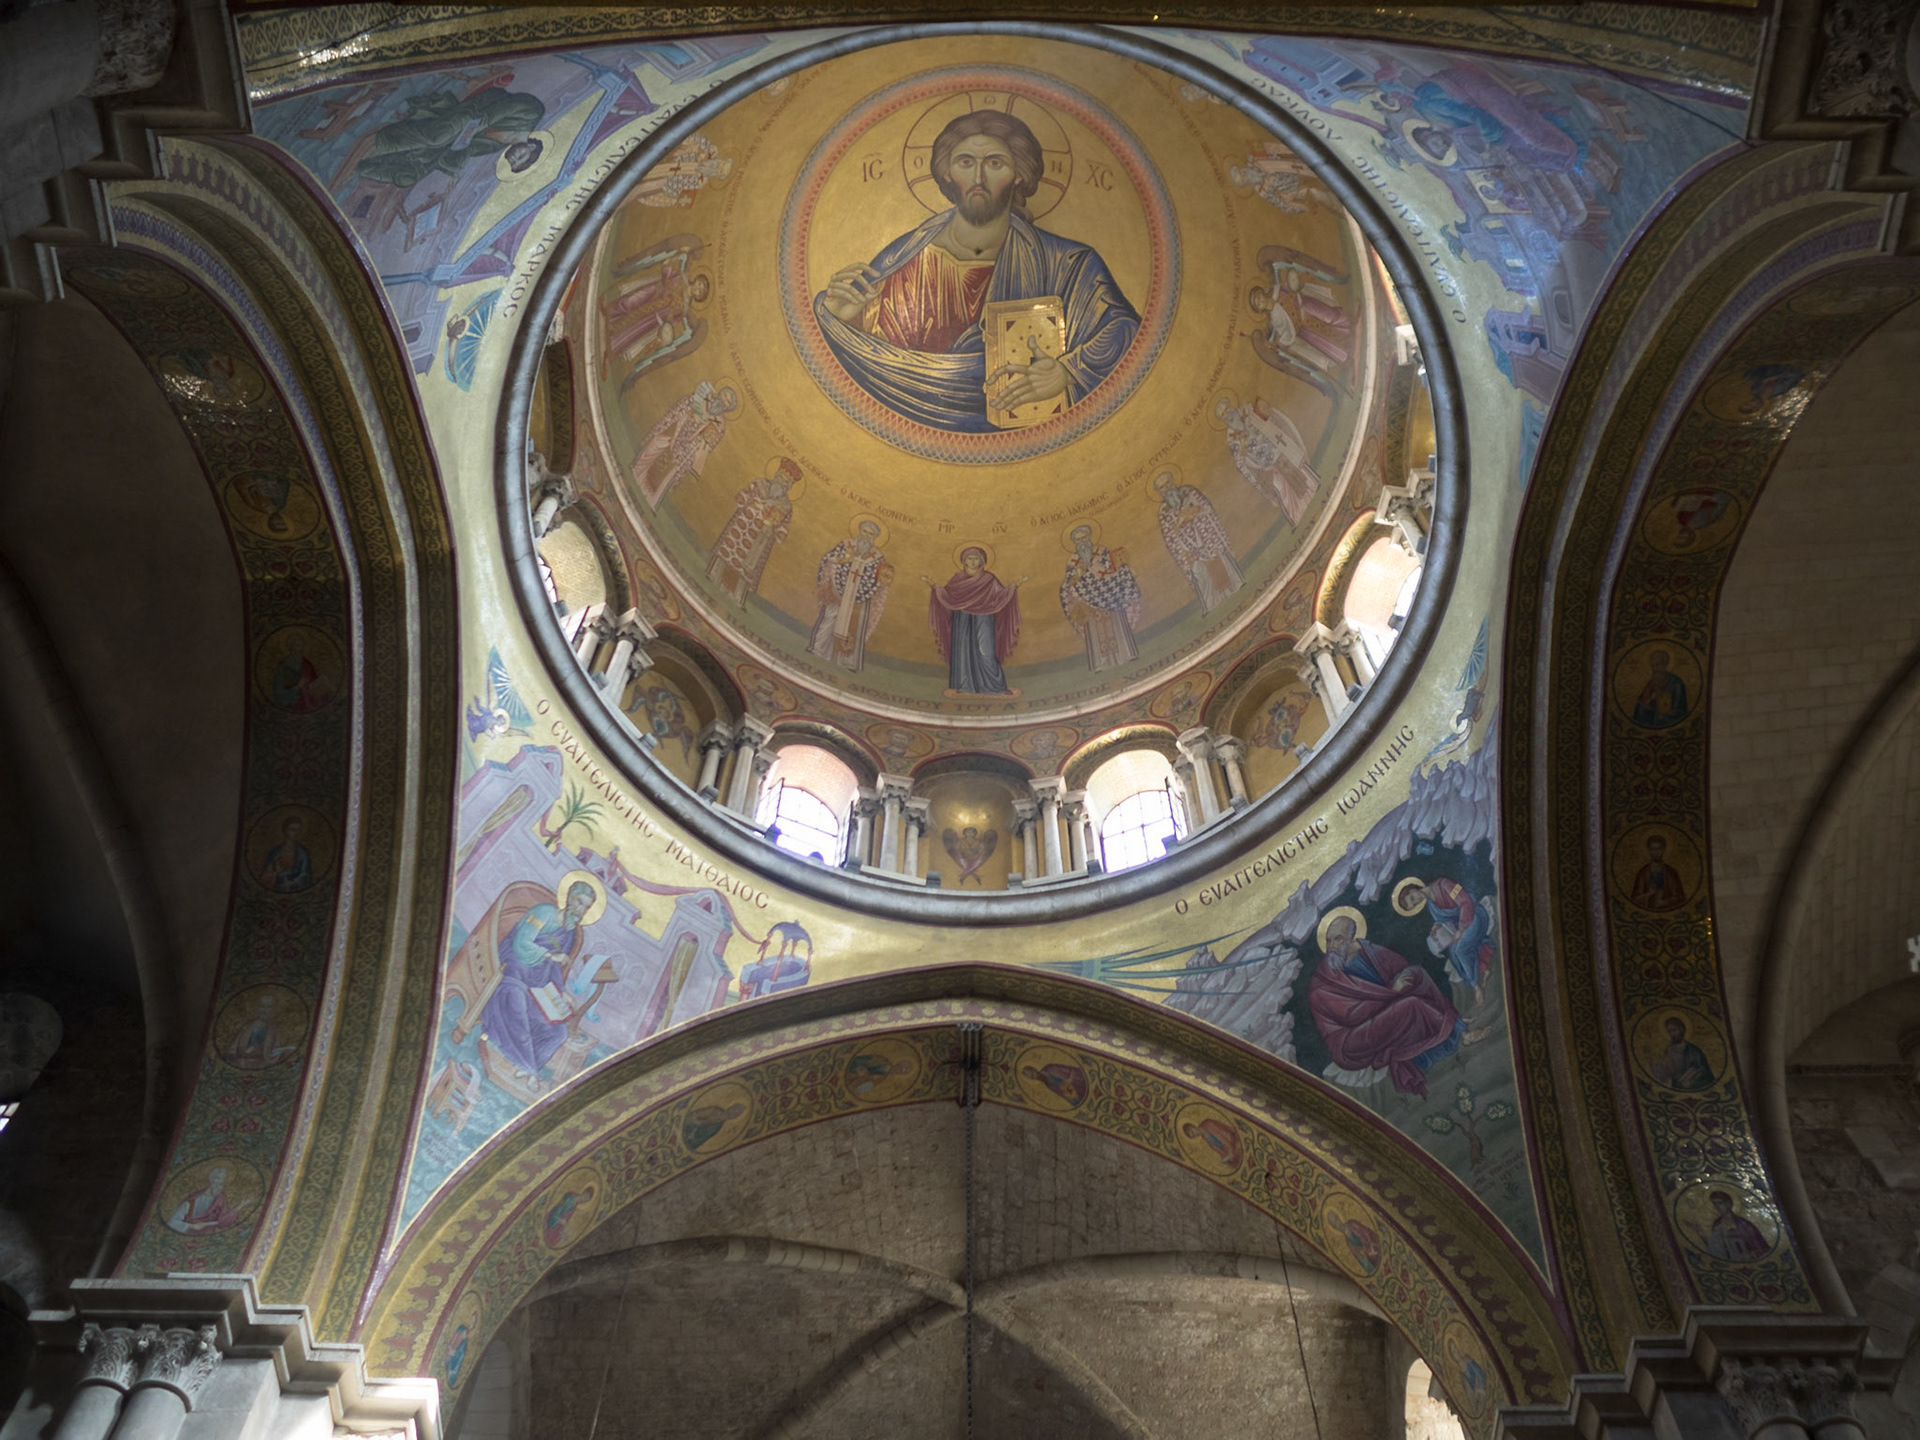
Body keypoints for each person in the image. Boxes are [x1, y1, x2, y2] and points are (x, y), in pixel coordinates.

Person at [814, 110, 1138, 432]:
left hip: (1026, 447)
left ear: (1019, 175)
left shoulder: (1067, 264)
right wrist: (844, 322)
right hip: (909, 441)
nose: (978, 179)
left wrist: (1068, 372)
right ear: (947, 173)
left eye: (995, 164)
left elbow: (1125, 331)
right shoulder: (900, 264)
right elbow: (871, 365)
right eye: (966, 163)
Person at [1307, 913, 1464, 1098]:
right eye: (1329, 940)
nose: (1332, 946)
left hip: (1381, 1010)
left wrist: (1399, 983)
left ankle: (1456, 1023)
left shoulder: (1368, 951)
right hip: (1350, 1039)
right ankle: (1457, 1033)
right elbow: (1353, 1015)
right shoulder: (1322, 984)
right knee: (1410, 1005)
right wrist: (1392, 991)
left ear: (1351, 937)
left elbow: (1398, 967)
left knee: (1417, 973)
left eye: (1338, 938)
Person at [478, 879, 594, 1081]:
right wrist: (549, 955)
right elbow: (521, 943)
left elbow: (554, 969)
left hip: (538, 984)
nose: (580, 910)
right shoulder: (545, 913)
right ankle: (530, 1067)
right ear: (568, 898)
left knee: (559, 1032)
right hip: (513, 970)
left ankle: (527, 1067)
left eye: (586, 907)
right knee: (517, 1005)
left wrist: (561, 992)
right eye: (579, 902)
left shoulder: (569, 933)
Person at [355, 86, 546, 190]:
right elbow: (504, 107)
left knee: (413, 173)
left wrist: (454, 174)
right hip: (474, 110)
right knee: (437, 137)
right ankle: (381, 140)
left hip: (457, 135)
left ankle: (362, 166)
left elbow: (466, 150)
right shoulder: (532, 113)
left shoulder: (494, 147)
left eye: (514, 164)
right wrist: (475, 127)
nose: (514, 158)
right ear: (531, 147)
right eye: (522, 157)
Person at [925, 547, 1025, 694]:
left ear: (982, 561)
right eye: (969, 558)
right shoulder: (957, 579)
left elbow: (1000, 596)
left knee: (986, 651)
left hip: (984, 616)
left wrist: (1013, 587)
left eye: (976, 558)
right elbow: (948, 596)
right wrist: (935, 587)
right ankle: (965, 686)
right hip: (962, 618)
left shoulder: (989, 579)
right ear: (963, 561)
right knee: (963, 651)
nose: (972, 562)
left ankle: (995, 686)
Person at [632, 380, 737, 506]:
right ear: (720, 392)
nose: (723, 400)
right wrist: (689, 416)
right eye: (724, 395)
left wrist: (697, 438)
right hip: (675, 430)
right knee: (658, 444)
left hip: (686, 450)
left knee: (671, 471)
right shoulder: (702, 397)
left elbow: (706, 446)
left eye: (727, 401)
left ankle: (650, 497)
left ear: (729, 407)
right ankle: (638, 471)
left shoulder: (720, 426)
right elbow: (681, 407)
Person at [1217, 396, 1320, 524]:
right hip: (1269, 466)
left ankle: (1313, 490)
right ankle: (1301, 510)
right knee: (1284, 486)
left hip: (1279, 448)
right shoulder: (1232, 438)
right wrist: (1243, 447)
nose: (1228, 414)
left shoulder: (1247, 410)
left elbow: (1270, 417)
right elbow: (1241, 465)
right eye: (1223, 414)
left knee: (1298, 471)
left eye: (1227, 409)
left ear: (1231, 406)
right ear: (1222, 420)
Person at [707, 460, 797, 604]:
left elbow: (783, 531)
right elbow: (740, 498)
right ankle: (713, 575)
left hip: (760, 539)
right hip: (741, 527)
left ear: (789, 487)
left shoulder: (786, 506)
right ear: (775, 475)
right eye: (780, 478)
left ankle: (738, 597)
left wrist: (776, 528)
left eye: (786, 482)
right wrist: (752, 503)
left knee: (747, 569)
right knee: (727, 552)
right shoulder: (759, 484)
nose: (781, 483)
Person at [1153, 473, 1243, 615]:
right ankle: (1212, 604)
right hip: (1188, 548)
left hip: (1207, 536)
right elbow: (1169, 536)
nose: (1167, 488)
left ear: (1173, 481)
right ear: (1159, 492)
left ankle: (1235, 587)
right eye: (1162, 487)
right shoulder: (1163, 512)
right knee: (1199, 573)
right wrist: (1181, 520)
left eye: (1168, 483)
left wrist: (1195, 512)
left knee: (1220, 560)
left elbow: (1206, 507)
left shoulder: (1189, 492)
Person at [807, 522, 892, 672]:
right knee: (829, 617)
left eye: (870, 534)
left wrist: (879, 581)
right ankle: (819, 649)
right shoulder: (846, 545)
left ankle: (847, 662)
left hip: (860, 598)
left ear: (875, 538)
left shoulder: (878, 558)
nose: (866, 536)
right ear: (859, 531)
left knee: (855, 627)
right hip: (837, 590)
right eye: (864, 532)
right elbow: (829, 558)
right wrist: (839, 561)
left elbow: (879, 581)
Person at [1059, 525, 1140, 672]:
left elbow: (1112, 567)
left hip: (1109, 594)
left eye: (1084, 538)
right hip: (1087, 602)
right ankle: (1100, 663)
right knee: (1095, 631)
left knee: (1115, 625)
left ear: (1090, 537)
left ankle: (1126, 653)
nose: (1082, 543)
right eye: (1078, 541)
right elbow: (1069, 581)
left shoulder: (1101, 551)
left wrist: (1097, 573)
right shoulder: (1073, 560)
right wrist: (1075, 580)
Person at [225, 993, 297, 1068]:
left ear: (273, 1009)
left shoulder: (274, 1029)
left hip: (263, 1063)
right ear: (257, 1008)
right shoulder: (246, 1027)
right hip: (242, 1063)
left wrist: (283, 1051)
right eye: (262, 1007)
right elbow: (234, 1049)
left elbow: (275, 1048)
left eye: (269, 1007)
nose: (265, 1010)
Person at [167, 1166, 240, 1235]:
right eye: (217, 1179)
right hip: (189, 1234)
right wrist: (192, 1226)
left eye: (221, 1182)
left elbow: (222, 1221)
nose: (219, 1184)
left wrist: (238, 1208)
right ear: (211, 1180)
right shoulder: (194, 1199)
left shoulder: (220, 1198)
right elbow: (173, 1222)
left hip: (208, 1235)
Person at [1650, 1016, 1715, 1091]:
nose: (1672, 1034)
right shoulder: (1668, 1050)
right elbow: (1667, 1072)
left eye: (1674, 1030)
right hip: (1676, 1086)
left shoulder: (1693, 1050)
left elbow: (1704, 1071)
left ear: (1681, 1029)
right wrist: (1656, 1066)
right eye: (1669, 1031)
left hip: (1693, 1086)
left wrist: (1692, 1081)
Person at [1703, 1190, 1771, 1260]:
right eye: (1715, 1204)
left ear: (1728, 1203)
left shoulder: (1745, 1225)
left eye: (1720, 1203)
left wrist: (1751, 1255)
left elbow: (1762, 1248)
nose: (1717, 1206)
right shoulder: (1717, 1224)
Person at [1631, 649, 1690, 728]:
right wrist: (1648, 701)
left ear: (1665, 664)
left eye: (1658, 664)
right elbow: (1639, 712)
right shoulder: (1651, 683)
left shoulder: (1676, 683)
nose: (1655, 669)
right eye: (1653, 665)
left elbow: (1679, 712)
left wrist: (1660, 715)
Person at [1629, 835, 1686, 911]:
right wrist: (1648, 894)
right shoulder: (1643, 873)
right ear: (1649, 850)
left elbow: (1680, 897)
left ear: (1663, 850)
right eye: (1653, 849)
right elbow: (1635, 899)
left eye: (1659, 849)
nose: (1656, 852)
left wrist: (1664, 903)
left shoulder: (1671, 872)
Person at [258, 815, 314, 893]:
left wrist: (293, 884)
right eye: (292, 830)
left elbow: (305, 874)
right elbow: (265, 877)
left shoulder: (303, 853)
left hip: (295, 889)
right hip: (275, 889)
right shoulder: (275, 851)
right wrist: (275, 873)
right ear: (285, 831)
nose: (296, 833)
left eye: (298, 830)